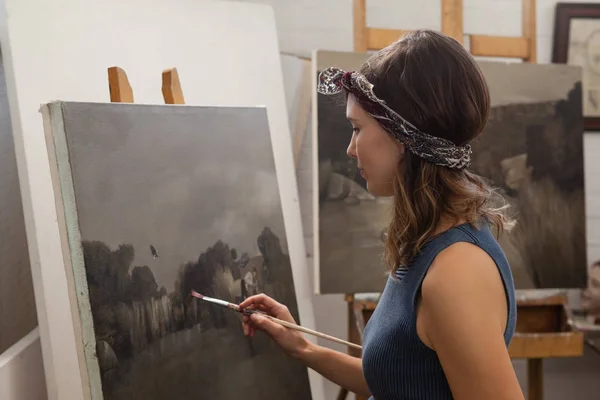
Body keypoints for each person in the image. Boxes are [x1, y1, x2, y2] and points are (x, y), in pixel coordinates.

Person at [240, 29, 524, 400]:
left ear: (403, 135)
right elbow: (400, 381)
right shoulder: (428, 241)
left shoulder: (457, 271)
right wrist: (303, 348)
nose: (350, 149)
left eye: (358, 129)